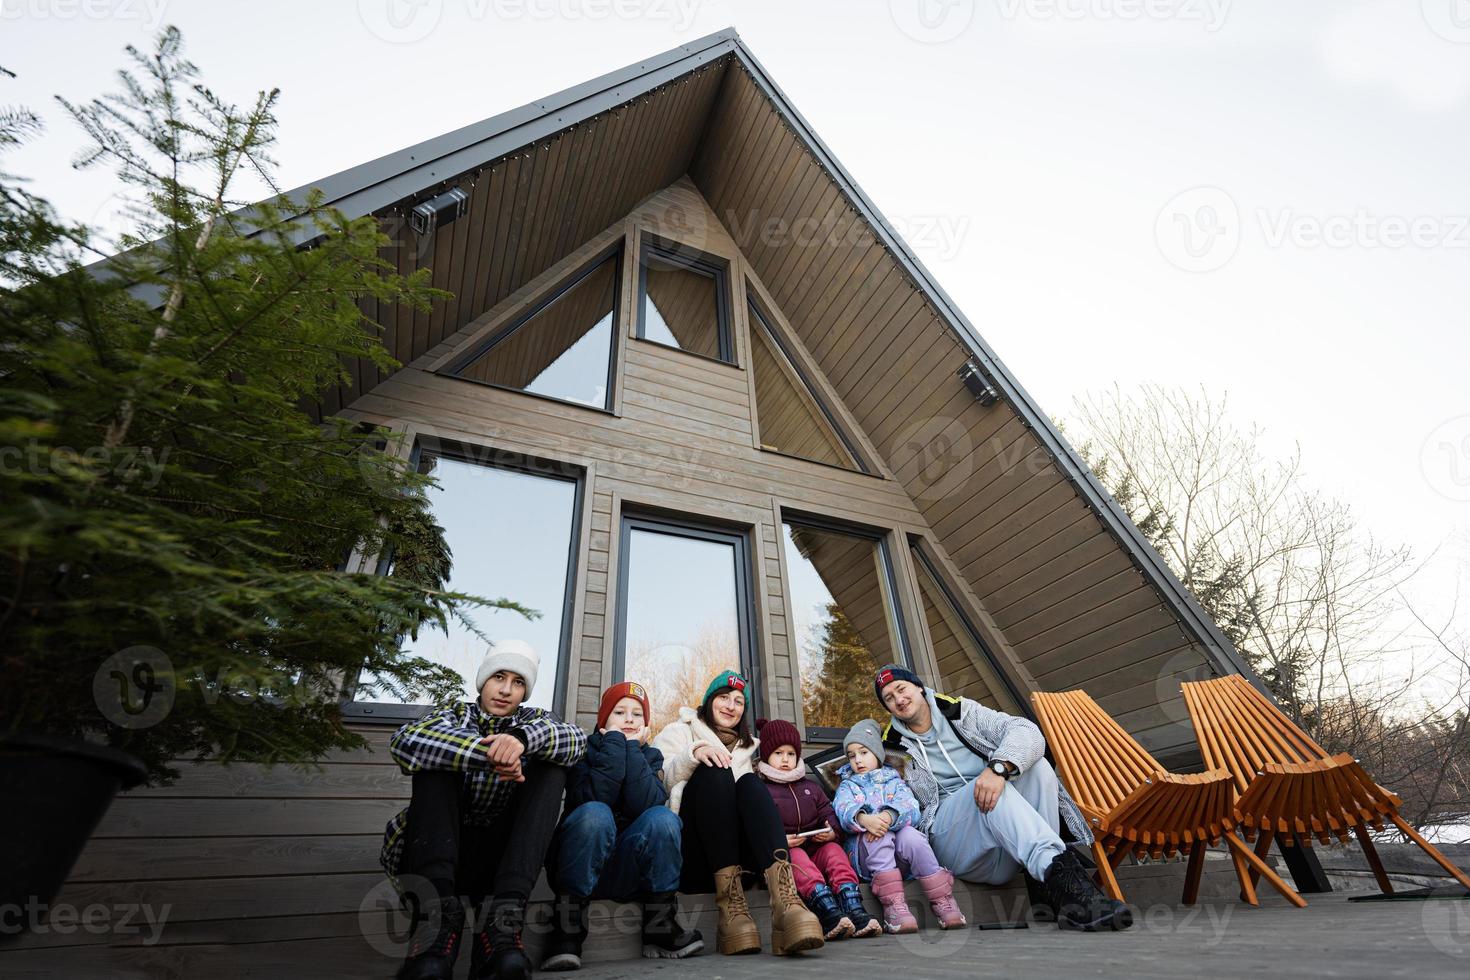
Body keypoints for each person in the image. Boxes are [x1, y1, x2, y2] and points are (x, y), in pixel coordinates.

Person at [380, 640, 587, 980]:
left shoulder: (535, 720)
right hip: (438, 852)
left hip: (501, 864)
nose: (506, 690)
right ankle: (434, 931)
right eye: (499, 677)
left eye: (518, 683)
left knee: (552, 767)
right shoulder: (453, 713)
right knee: (435, 761)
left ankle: (502, 928)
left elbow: (575, 740)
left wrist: (519, 739)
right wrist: (490, 755)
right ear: (483, 681)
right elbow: (406, 741)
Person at [875, 664, 1132, 932]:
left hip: (1006, 844)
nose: (898, 700)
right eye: (889, 698)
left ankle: (1046, 882)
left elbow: (1027, 731)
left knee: (1037, 767)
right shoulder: (892, 747)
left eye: (901, 689)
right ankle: (1071, 893)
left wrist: (998, 768)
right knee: (990, 789)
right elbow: (897, 800)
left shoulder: (961, 712)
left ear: (918, 686)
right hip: (954, 843)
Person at [651, 669, 825, 957]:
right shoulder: (678, 731)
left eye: (738, 701)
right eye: (723, 698)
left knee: (749, 783)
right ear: (709, 701)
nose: (731, 706)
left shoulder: (748, 750)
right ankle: (730, 910)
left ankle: (786, 904)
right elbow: (659, 779)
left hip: (741, 865)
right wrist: (694, 754)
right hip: (694, 858)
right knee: (716, 772)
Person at [541, 681, 703, 970]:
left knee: (664, 818)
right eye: (619, 712)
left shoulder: (650, 756)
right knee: (596, 813)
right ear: (604, 720)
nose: (629, 719)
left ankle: (660, 925)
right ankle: (566, 930)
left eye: (637, 714)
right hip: (579, 865)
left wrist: (631, 749)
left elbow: (647, 804)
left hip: (628, 871)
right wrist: (615, 744)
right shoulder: (583, 751)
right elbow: (594, 797)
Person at [753, 718, 880, 940]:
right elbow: (759, 827)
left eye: (791, 754)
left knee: (834, 852)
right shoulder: (762, 790)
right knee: (797, 857)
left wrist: (832, 832)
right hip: (787, 852)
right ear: (766, 756)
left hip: (817, 846)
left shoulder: (810, 788)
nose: (785, 759)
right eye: (778, 753)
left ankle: (854, 907)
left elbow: (828, 813)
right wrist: (778, 841)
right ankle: (828, 911)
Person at [834, 719, 965, 932]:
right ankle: (894, 906)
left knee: (912, 836)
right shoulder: (848, 785)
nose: (857, 760)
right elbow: (842, 808)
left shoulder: (895, 780)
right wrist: (864, 819)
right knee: (880, 836)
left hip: (902, 859)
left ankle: (942, 900)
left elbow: (911, 808)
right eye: (852, 755)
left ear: (877, 753)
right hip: (868, 857)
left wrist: (889, 815)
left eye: (864, 752)